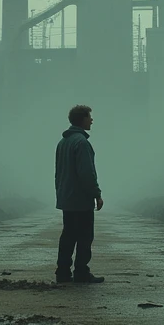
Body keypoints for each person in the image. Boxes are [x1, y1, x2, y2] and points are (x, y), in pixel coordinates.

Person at [54, 104, 104, 284]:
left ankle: (62, 272)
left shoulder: (63, 143)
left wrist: (60, 193)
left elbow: (59, 172)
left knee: (68, 236)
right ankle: (81, 272)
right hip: (80, 199)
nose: (92, 120)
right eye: (89, 117)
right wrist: (96, 194)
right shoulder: (82, 143)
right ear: (82, 119)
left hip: (67, 198)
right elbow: (87, 173)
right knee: (84, 237)